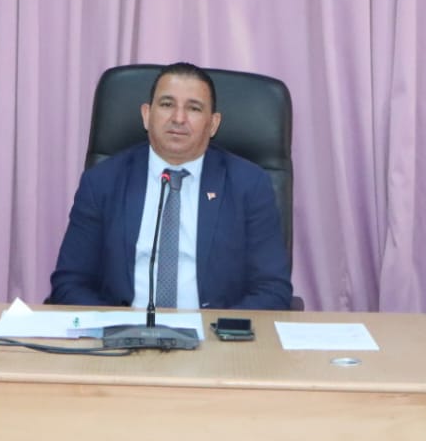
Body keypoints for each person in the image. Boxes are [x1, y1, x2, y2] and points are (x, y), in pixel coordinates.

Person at [49, 61, 293, 311]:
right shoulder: (102, 182)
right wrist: (116, 325)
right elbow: (70, 283)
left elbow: (273, 289)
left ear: (213, 124)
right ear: (147, 115)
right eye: (167, 104)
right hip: (123, 329)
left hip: (213, 331)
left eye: (194, 108)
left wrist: (218, 328)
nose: (178, 118)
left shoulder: (249, 185)